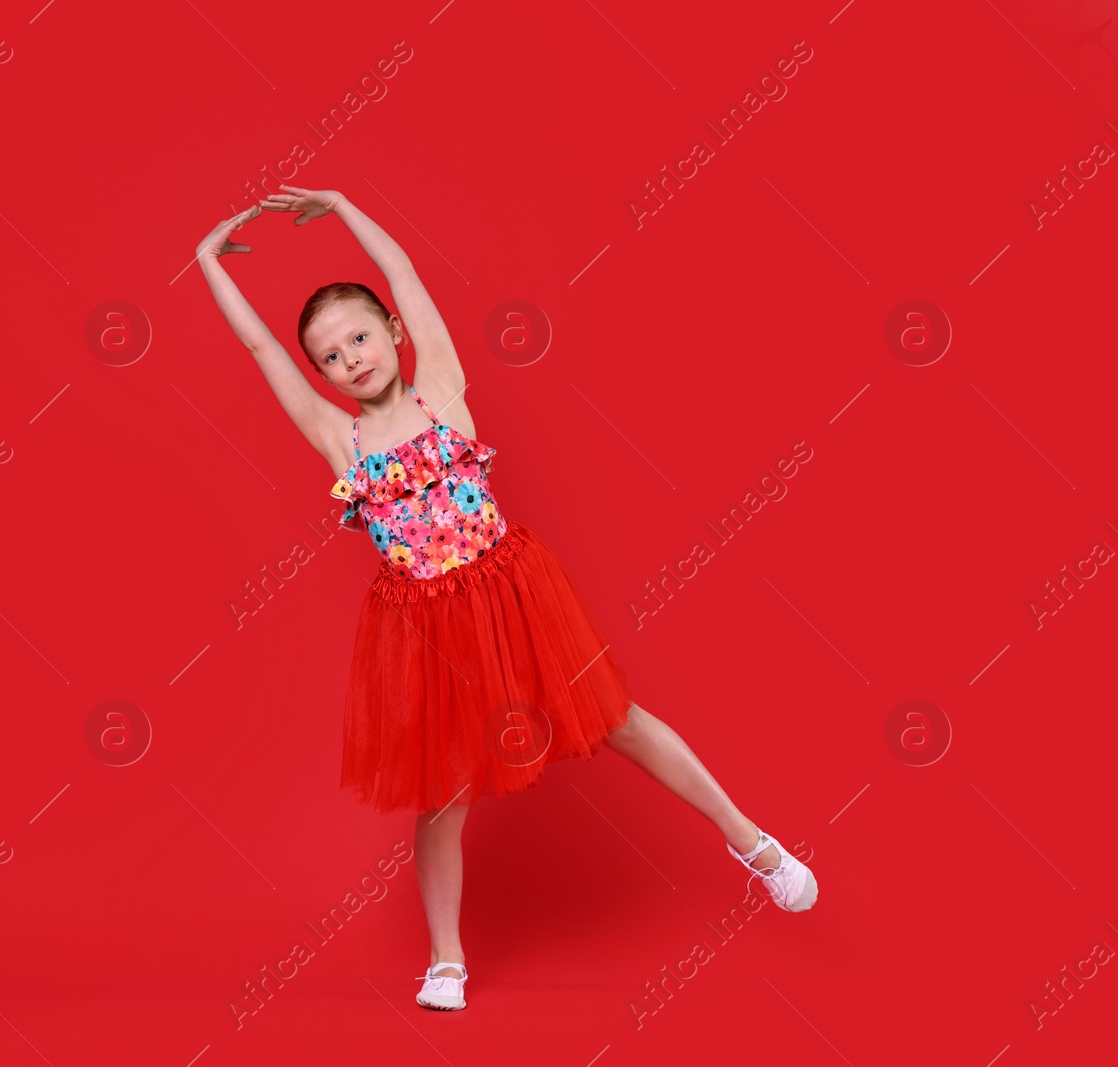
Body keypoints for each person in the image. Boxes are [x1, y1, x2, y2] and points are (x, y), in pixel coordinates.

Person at [193, 186, 818, 1013]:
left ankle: (752, 841)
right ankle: (446, 956)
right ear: (323, 379)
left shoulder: (439, 390)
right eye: (331, 357)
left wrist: (344, 206)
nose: (350, 359)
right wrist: (206, 260)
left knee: (616, 719)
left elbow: (405, 269)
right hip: (425, 625)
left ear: (394, 333)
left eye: (359, 337)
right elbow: (261, 352)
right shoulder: (336, 436)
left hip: (513, 590)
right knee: (444, 792)